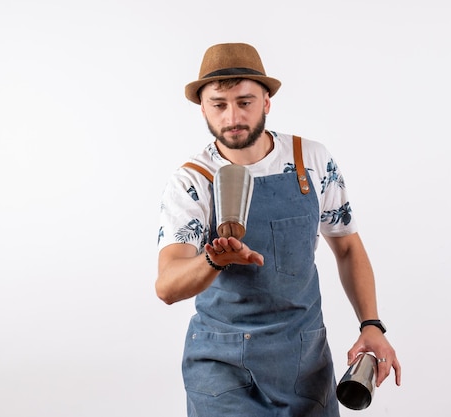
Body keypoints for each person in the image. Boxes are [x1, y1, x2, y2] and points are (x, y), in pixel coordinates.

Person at [155, 42, 401, 417]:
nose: (233, 116)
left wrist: (371, 323)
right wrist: (213, 259)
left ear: (267, 102)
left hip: (304, 361)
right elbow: (167, 286)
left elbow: (347, 247)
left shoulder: (312, 160)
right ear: (203, 108)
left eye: (245, 101)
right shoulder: (192, 180)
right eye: (219, 104)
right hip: (222, 366)